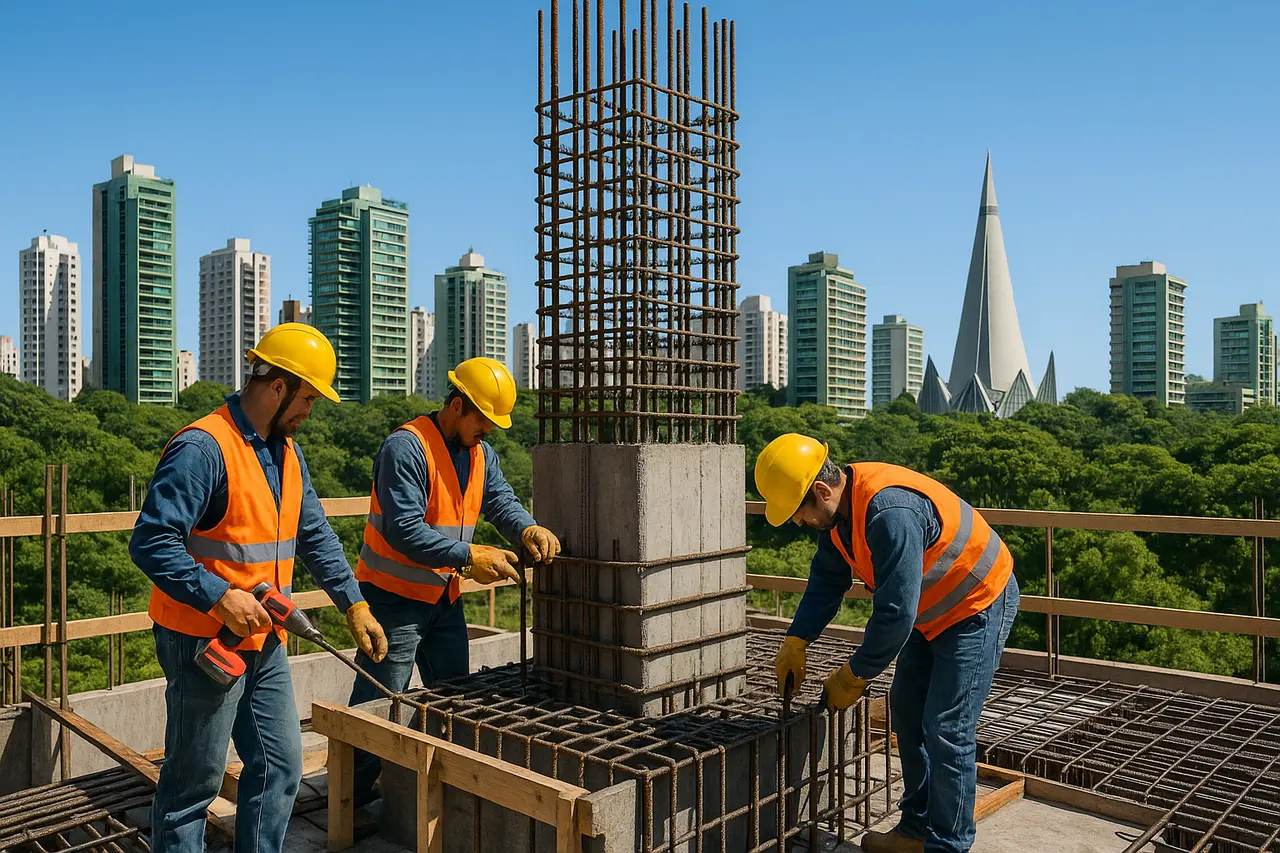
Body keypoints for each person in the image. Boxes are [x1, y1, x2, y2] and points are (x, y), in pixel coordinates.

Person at [130, 324, 387, 853]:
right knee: (193, 785)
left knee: (280, 766)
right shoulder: (203, 448)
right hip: (202, 641)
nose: (310, 411)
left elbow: (314, 534)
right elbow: (151, 541)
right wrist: (219, 596)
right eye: (308, 398)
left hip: (264, 639)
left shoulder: (287, 454)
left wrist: (354, 603)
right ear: (278, 387)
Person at [756, 434, 1019, 853]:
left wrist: (854, 674)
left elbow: (895, 615)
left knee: (947, 727)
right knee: (908, 713)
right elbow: (827, 582)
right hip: (930, 612)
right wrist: (797, 638)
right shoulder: (838, 518)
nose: (798, 522)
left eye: (799, 512)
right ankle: (916, 830)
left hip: (977, 603)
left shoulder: (888, 513)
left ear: (821, 491)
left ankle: (948, 846)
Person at [347, 356, 561, 801]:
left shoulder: (481, 453)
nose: (488, 429)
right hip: (392, 599)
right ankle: (351, 797)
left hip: (444, 599)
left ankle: (441, 790)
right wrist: (468, 556)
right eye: (483, 419)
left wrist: (526, 528)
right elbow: (404, 530)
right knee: (377, 703)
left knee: (455, 700)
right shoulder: (406, 448)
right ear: (458, 405)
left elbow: (500, 499)